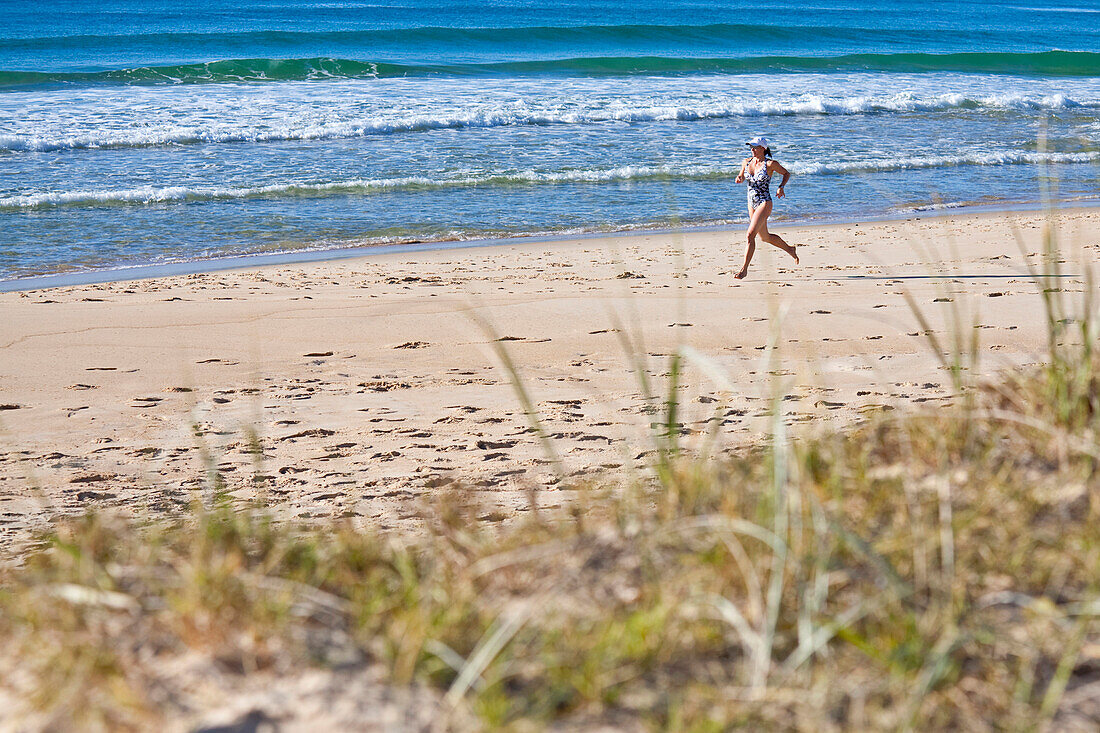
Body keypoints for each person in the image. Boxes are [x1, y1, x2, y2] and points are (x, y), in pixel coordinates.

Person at [732, 136, 798, 279]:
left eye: (755, 147)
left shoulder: (770, 164)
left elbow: (786, 173)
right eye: (751, 147)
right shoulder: (746, 162)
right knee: (765, 237)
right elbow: (741, 175)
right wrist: (740, 178)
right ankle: (790, 249)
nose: (752, 150)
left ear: (763, 149)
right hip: (751, 202)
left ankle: (744, 270)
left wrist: (781, 187)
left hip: (764, 202)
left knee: (750, 235)